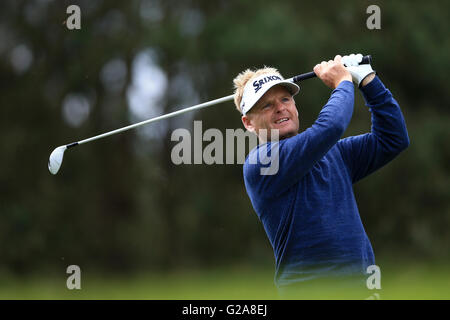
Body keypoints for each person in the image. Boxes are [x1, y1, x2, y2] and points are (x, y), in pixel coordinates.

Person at [232, 54, 409, 296]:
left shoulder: (335, 154)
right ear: (248, 123)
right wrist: (344, 82)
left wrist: (368, 80)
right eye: (267, 105)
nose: (280, 108)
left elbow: (393, 138)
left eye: (285, 98)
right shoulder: (261, 164)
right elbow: (330, 127)